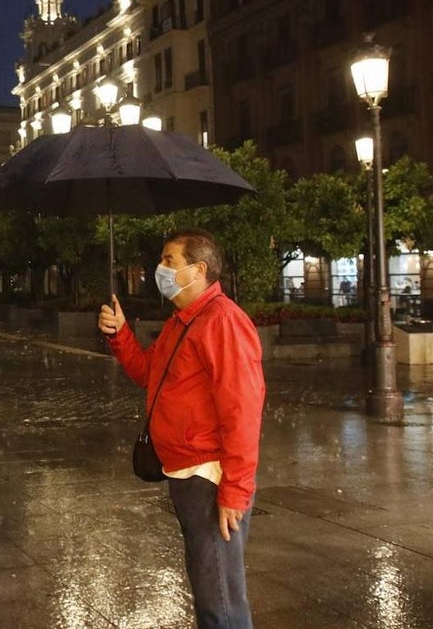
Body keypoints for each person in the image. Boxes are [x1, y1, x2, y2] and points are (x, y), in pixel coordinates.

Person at [98, 228, 265, 628]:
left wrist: (235, 491)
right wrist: (120, 333)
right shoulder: (182, 321)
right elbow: (147, 372)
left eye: (169, 261)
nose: (161, 269)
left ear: (199, 269)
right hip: (184, 472)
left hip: (209, 475)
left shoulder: (223, 321)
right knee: (207, 585)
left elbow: (242, 410)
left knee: (219, 598)